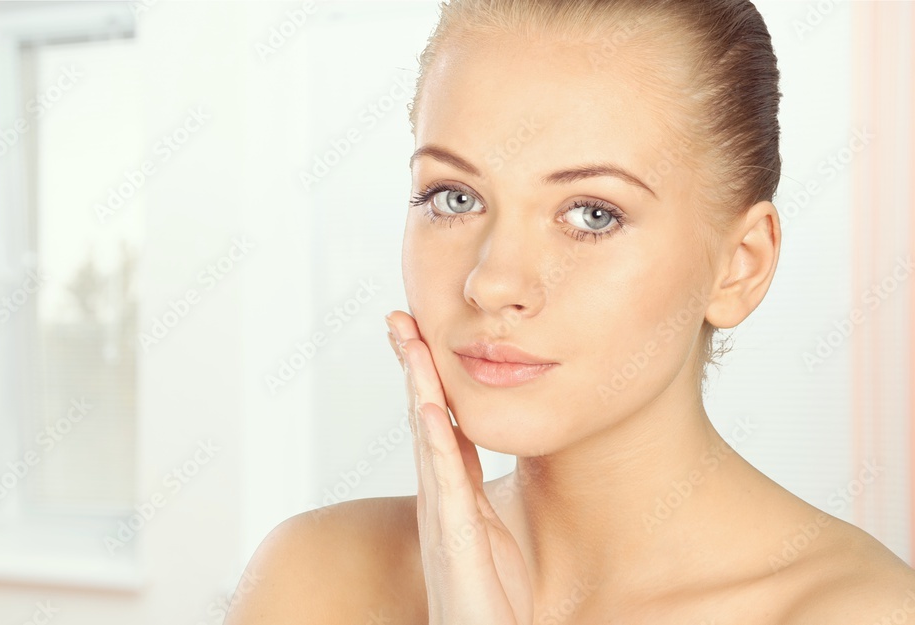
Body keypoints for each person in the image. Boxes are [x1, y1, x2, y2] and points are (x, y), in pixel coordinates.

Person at [226, 1, 915, 623]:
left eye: (592, 214)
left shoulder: (862, 610)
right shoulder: (312, 580)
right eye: (454, 197)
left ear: (740, 264)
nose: (492, 282)